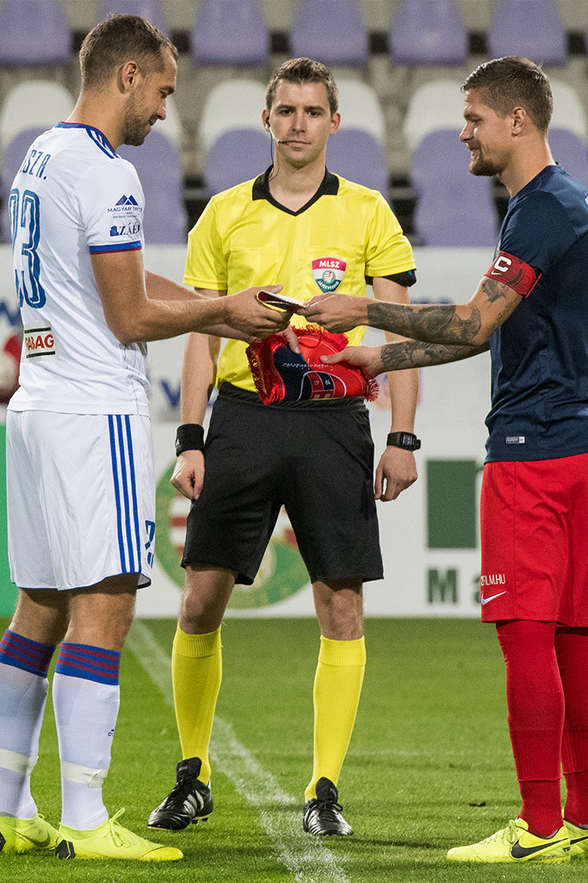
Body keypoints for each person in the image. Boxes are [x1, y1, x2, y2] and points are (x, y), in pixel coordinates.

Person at [0, 14, 290, 862]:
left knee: (38, 608)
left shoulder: (43, 155)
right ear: (126, 76)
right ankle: (86, 817)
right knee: (107, 603)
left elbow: (117, 276)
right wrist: (223, 308)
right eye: (160, 89)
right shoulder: (109, 171)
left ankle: (14, 808)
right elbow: (128, 315)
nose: (163, 109)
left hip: (39, 404)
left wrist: (213, 306)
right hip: (94, 412)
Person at [304, 56, 588, 864]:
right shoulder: (567, 202)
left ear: (519, 120)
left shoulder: (541, 209)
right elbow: (491, 331)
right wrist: (381, 359)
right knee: (570, 638)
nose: (463, 133)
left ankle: (539, 827)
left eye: (474, 118)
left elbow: (475, 324)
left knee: (527, 635)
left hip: (535, 452)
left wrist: (365, 310)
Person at [144, 58, 421, 840]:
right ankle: (192, 773)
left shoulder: (368, 212)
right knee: (201, 599)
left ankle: (324, 787)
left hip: (335, 423)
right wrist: (190, 437)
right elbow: (201, 333)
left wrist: (402, 436)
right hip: (243, 418)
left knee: (342, 603)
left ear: (335, 122)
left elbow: (399, 330)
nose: (299, 123)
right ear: (267, 120)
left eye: (313, 110)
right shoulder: (224, 214)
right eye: (287, 110)